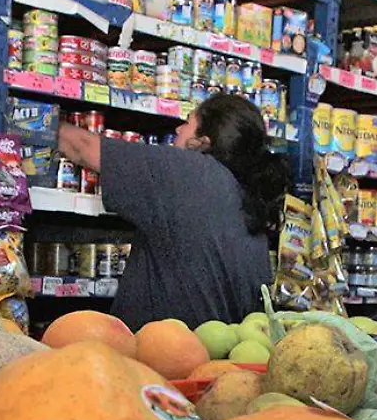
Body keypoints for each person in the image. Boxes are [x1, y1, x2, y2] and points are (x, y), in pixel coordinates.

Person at [56, 94, 289, 330]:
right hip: (221, 357)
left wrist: (33, 117)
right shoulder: (248, 195)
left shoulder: (187, 171)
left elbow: (82, 147)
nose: (178, 128)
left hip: (159, 356)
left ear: (204, 140)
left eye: (188, 122)